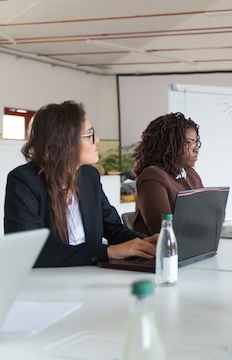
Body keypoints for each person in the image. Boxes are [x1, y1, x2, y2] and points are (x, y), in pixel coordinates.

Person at [4, 101, 157, 267]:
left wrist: (146, 243)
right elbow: (29, 251)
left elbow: (114, 230)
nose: (96, 140)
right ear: (64, 142)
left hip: (90, 277)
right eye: (89, 134)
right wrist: (107, 252)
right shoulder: (23, 181)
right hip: (46, 283)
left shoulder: (89, 176)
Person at [132, 112, 203, 235]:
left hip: (191, 246)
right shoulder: (153, 176)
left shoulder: (191, 174)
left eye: (196, 142)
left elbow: (212, 216)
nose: (196, 149)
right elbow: (164, 229)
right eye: (190, 142)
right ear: (169, 144)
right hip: (161, 251)